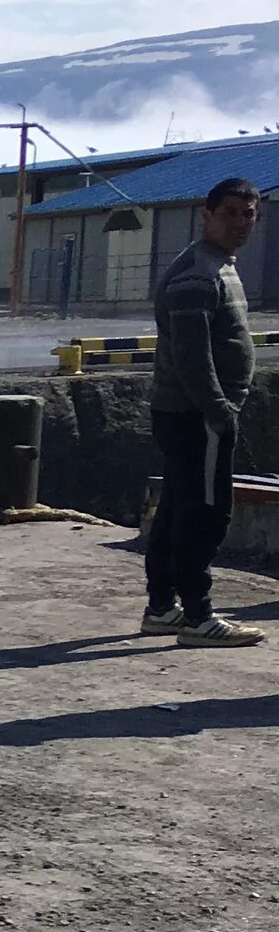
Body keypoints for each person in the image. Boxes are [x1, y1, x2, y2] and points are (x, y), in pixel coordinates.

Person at [144, 176, 264, 646]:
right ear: (207, 215)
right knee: (206, 514)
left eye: (248, 213)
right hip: (196, 415)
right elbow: (192, 355)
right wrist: (218, 410)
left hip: (191, 413)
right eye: (230, 212)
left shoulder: (218, 265)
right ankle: (198, 617)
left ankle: (162, 608)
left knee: (177, 508)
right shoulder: (198, 273)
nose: (239, 222)